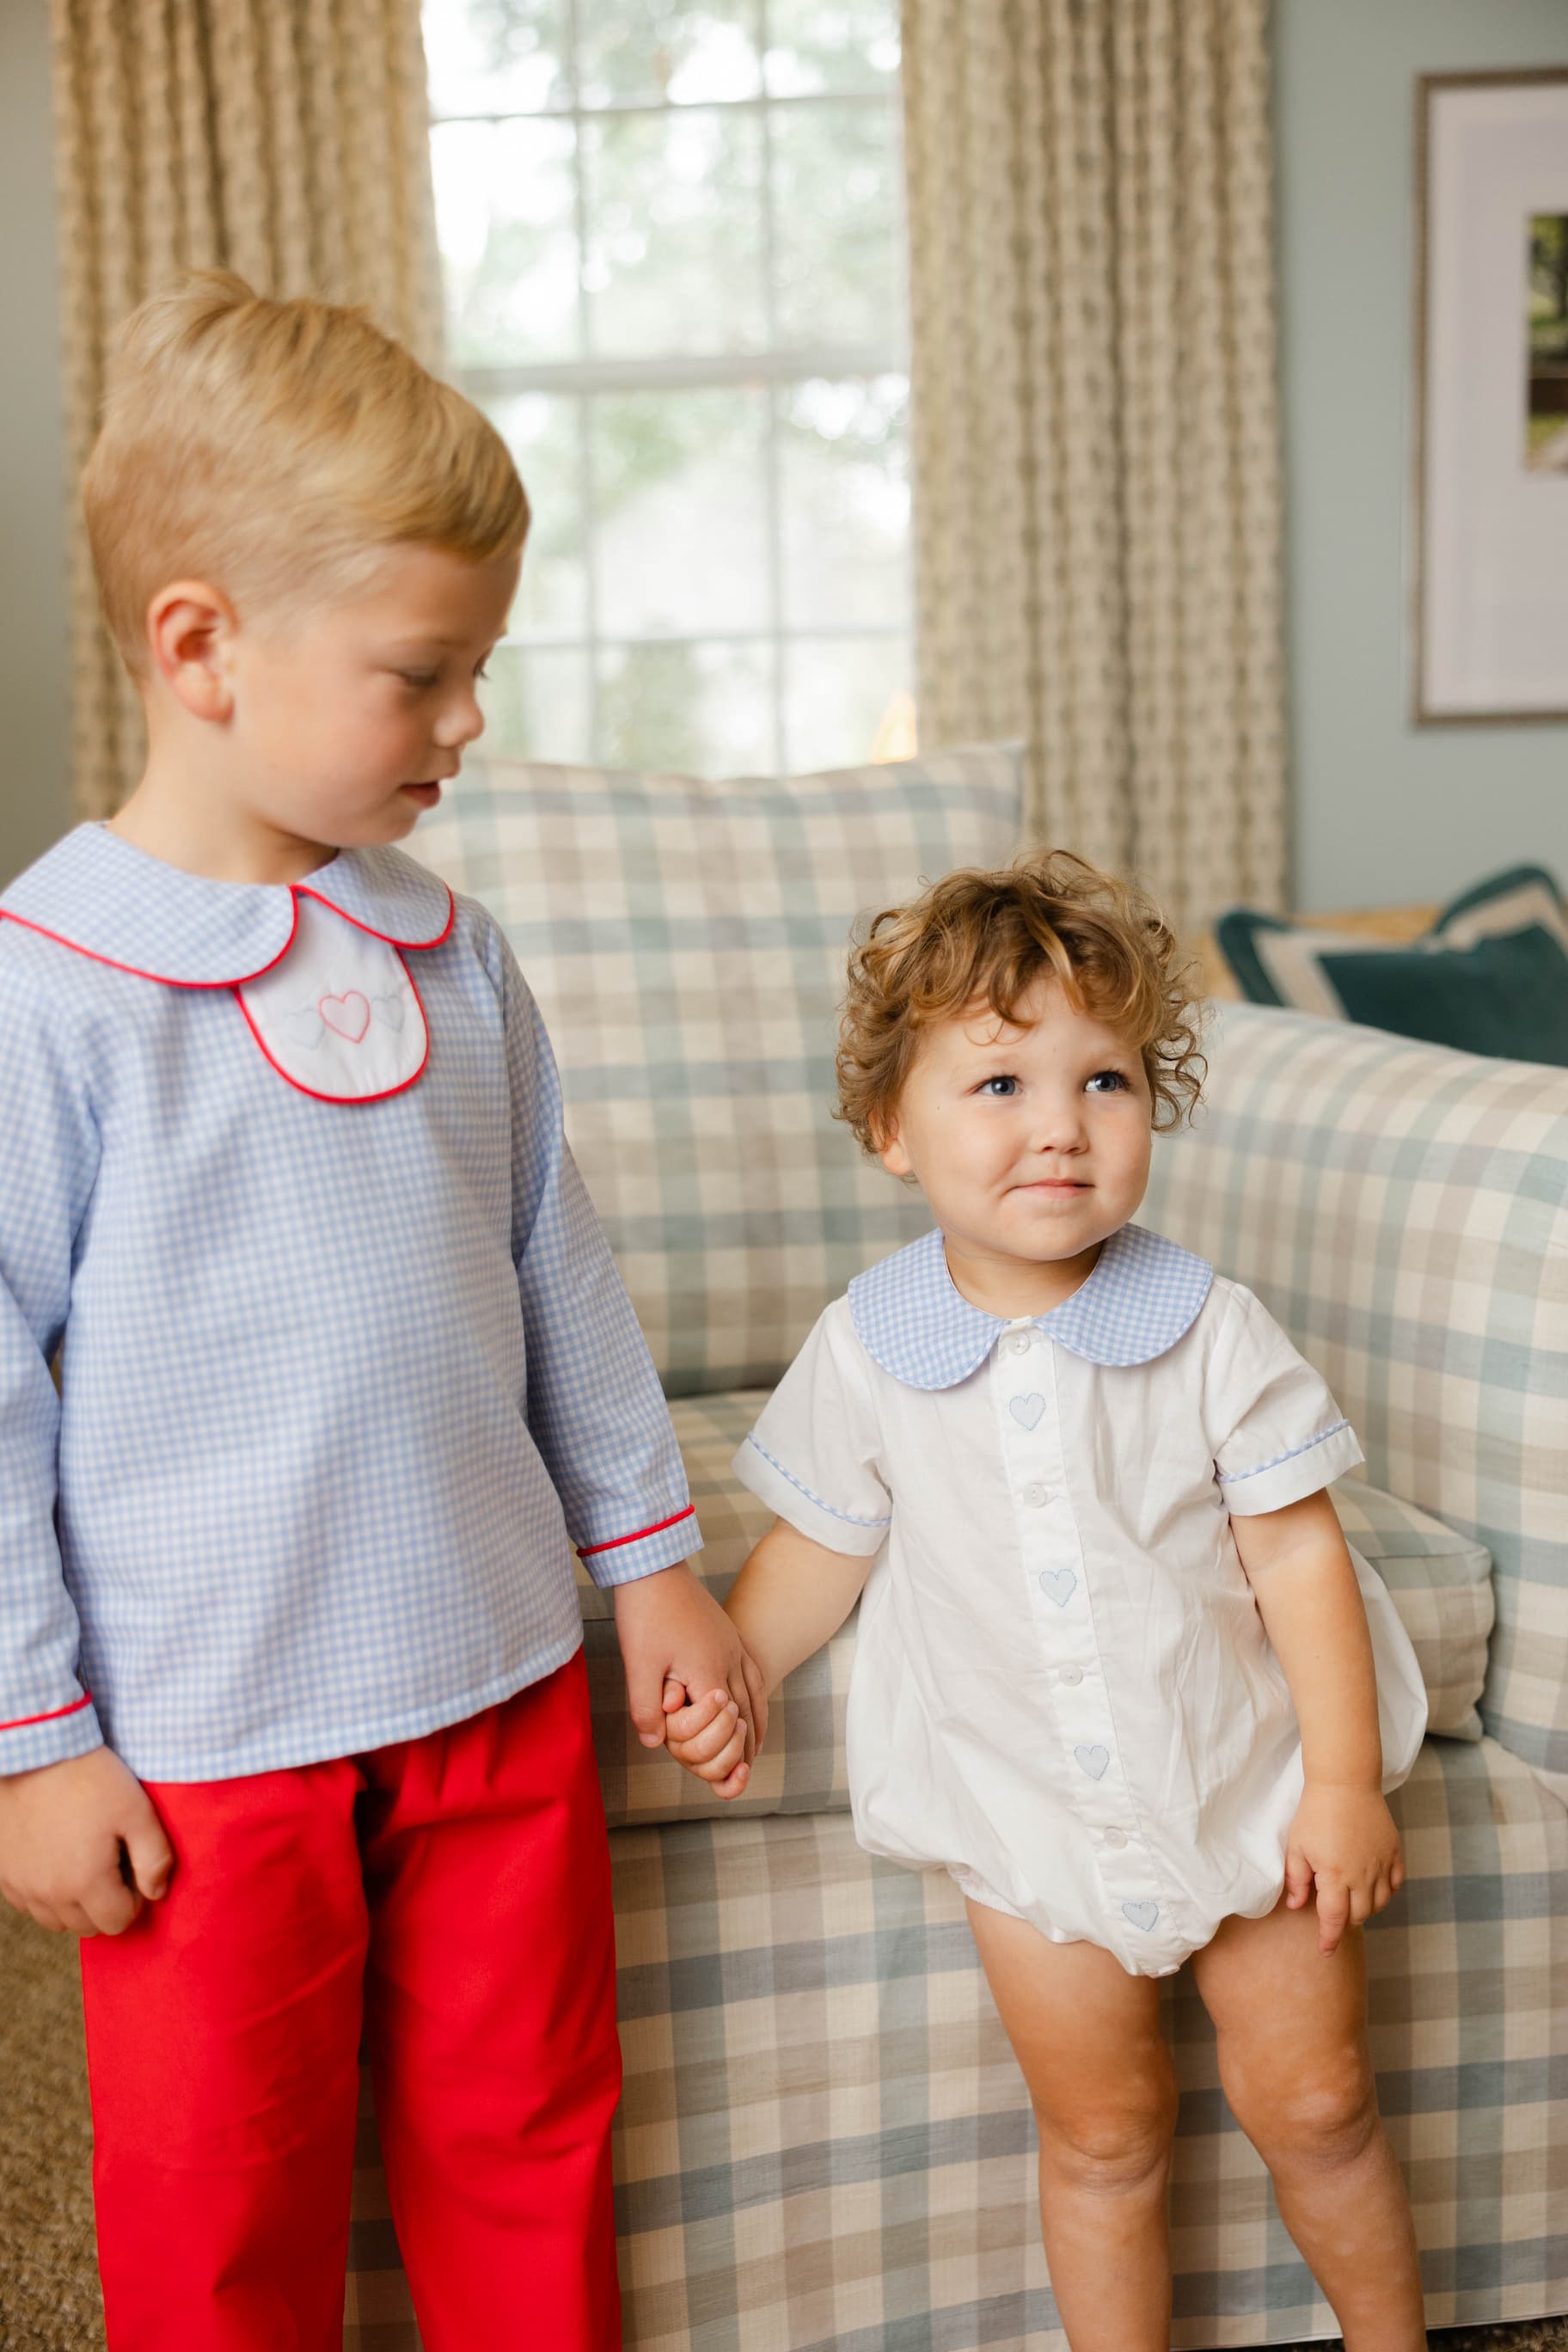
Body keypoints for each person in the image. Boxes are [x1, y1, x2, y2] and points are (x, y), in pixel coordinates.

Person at [0, 272, 762, 2352]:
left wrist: (660, 1574)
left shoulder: (452, 959)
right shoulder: (51, 992)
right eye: (423, 674)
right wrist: (30, 1741)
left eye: (480, 670)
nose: (469, 725)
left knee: (528, 2136)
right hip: (212, 1726)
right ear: (200, 649)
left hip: (497, 1684)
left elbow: (558, 1272)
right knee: (217, 2198)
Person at [664, 849, 1430, 2352]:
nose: (1061, 1131)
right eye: (1001, 1087)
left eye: (1108, 1083)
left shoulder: (1207, 1327)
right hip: (1025, 1824)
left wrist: (1341, 1786)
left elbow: (1295, 1555)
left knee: (1321, 2103)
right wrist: (736, 1668)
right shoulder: (870, 1344)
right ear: (893, 1126)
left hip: (1250, 1791)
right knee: (1102, 2138)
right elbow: (824, 1546)